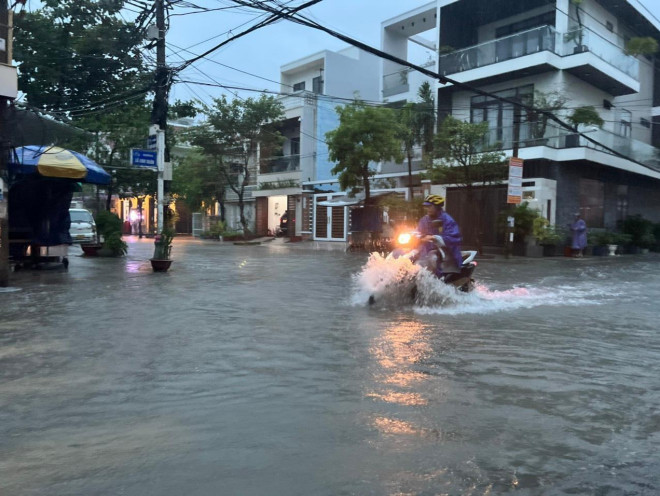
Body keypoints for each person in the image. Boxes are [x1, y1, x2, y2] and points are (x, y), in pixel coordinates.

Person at [417, 194, 463, 277]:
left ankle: (440, 280)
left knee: (433, 258)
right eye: (426, 207)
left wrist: (435, 238)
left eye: (430, 206)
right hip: (426, 251)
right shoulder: (424, 219)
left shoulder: (448, 220)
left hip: (444, 253)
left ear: (437, 207)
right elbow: (418, 232)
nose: (427, 209)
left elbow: (454, 238)